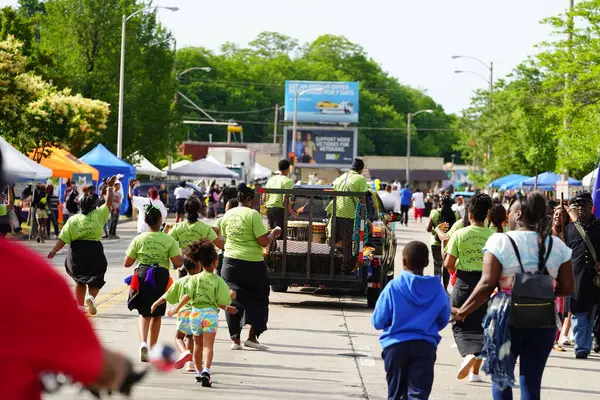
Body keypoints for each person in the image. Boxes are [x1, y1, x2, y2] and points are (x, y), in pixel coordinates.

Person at [453, 192, 575, 399]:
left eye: (510, 212)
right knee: (531, 382)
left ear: (518, 216)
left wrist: (463, 311)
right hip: (543, 317)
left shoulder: (499, 241)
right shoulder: (557, 246)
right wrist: (539, 290)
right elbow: (568, 288)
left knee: (501, 379)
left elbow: (487, 284)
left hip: (504, 318)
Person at [372, 241, 450, 400]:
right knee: (418, 394)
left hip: (395, 346)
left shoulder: (393, 286)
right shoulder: (437, 288)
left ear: (403, 262)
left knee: (396, 394)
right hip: (425, 346)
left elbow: (378, 321)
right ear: (427, 263)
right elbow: (444, 318)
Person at [219, 183, 281, 350]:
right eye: (253, 199)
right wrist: (274, 233)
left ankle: (235, 340)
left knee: (232, 298)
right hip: (252, 264)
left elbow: (223, 237)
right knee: (260, 297)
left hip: (230, 262)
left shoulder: (228, 214)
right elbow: (262, 241)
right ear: (249, 199)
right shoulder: (253, 215)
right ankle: (252, 337)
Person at [166, 240, 237, 386]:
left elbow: (188, 296)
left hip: (195, 315)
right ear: (216, 262)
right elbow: (222, 299)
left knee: (197, 345)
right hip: (210, 315)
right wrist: (231, 297)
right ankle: (206, 370)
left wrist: (176, 309)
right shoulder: (218, 280)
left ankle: (198, 372)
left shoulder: (194, 279)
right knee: (208, 346)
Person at [47, 176, 117, 314]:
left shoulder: (73, 220)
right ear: (93, 206)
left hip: (77, 253)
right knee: (95, 279)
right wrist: (109, 187)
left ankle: (80, 306)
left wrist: (54, 250)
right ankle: (91, 297)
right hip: (94, 251)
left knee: (80, 280)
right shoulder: (98, 214)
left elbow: (63, 239)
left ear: (79, 206)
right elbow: (109, 203)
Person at [444, 193, 494, 383]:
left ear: (470, 214)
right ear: (487, 215)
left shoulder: (459, 234)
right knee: (483, 326)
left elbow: (449, 263)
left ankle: (467, 355)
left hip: (464, 284)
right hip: (487, 286)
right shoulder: (495, 236)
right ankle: (475, 372)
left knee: (460, 323)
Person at [124, 205, 183, 361]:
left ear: (145, 221)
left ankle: (143, 342)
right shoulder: (168, 239)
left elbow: (127, 263)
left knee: (144, 313)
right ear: (160, 221)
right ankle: (152, 349)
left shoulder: (139, 239)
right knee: (156, 314)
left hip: (142, 275)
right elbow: (178, 263)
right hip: (161, 277)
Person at [150, 249, 203, 373]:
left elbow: (166, 295)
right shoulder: (202, 281)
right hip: (198, 314)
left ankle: (185, 352)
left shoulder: (180, 281)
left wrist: (155, 303)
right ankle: (190, 363)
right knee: (190, 337)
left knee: (179, 337)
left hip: (184, 313)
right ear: (199, 266)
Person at [564, 192, 600, 358]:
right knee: (578, 313)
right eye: (577, 205)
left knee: (591, 314)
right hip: (576, 278)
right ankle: (581, 347)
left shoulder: (599, 227)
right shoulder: (570, 229)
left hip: (595, 279)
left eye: (583, 205)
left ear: (591, 206)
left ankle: (585, 344)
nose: (580, 208)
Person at [328, 158, 369, 274]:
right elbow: (363, 198)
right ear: (361, 170)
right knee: (347, 243)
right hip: (349, 214)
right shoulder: (361, 179)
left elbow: (333, 187)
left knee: (334, 241)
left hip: (336, 212)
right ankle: (345, 269)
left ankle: (332, 265)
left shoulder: (341, 177)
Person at [169, 196, 224, 277]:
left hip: (184, 266)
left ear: (185, 210)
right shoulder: (205, 228)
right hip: (200, 267)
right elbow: (220, 245)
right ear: (199, 210)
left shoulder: (177, 227)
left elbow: (167, 243)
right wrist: (219, 233)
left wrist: (176, 257)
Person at [427, 195, 460, 290]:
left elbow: (428, 229)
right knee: (447, 266)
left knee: (437, 265)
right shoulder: (456, 214)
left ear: (440, 203)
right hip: (450, 243)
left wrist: (436, 228)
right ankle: (445, 288)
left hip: (435, 243)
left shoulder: (434, 213)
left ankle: (436, 288)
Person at [264, 160, 297, 242]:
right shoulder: (287, 181)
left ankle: (271, 251)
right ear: (288, 168)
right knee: (280, 234)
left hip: (269, 209)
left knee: (272, 232)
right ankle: (279, 253)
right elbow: (285, 199)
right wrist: (292, 213)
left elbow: (264, 196)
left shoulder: (270, 180)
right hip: (280, 210)